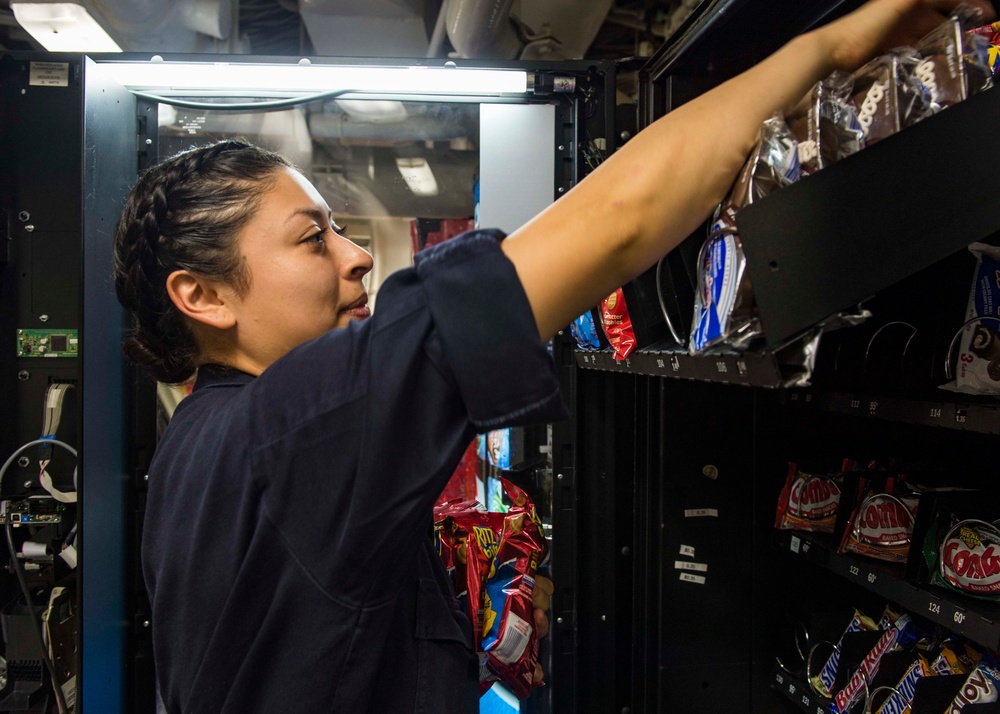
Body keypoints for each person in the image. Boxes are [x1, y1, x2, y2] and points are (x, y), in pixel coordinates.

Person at [112, 0, 992, 711]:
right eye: (313, 239)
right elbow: (617, 225)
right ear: (205, 297)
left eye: (343, 228)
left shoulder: (201, 444)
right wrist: (833, 43)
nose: (356, 255)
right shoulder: (287, 434)